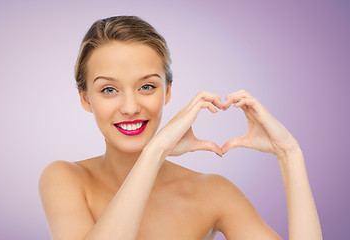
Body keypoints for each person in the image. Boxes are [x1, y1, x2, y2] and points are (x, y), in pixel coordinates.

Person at [38, 15, 322, 239]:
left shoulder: (212, 192)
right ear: (85, 98)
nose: (129, 107)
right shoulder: (65, 179)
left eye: (147, 86)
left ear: (168, 91)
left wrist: (289, 154)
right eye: (109, 90)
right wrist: (155, 151)